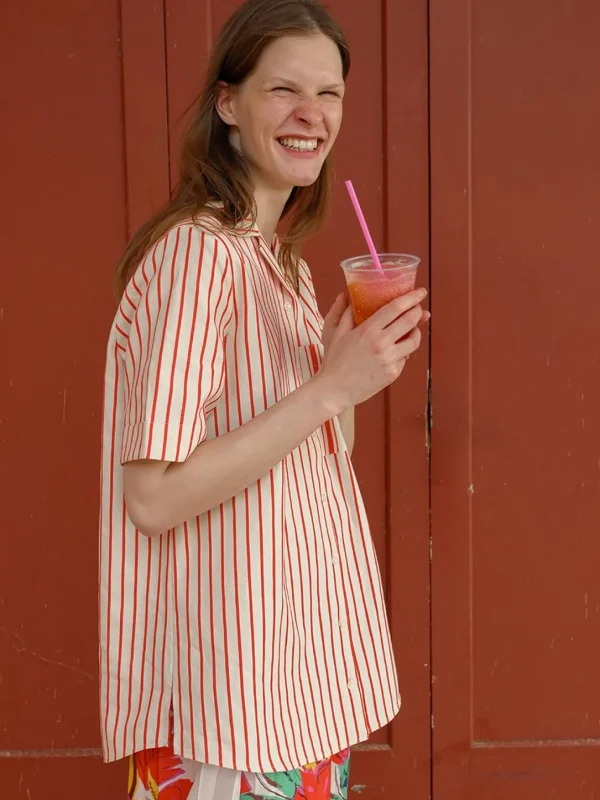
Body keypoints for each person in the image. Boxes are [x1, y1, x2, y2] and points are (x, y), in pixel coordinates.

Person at [99, 0, 429, 797]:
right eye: (284, 90)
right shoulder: (197, 256)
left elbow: (320, 457)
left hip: (294, 688)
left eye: (331, 94)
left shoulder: (277, 265)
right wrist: (324, 388)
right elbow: (152, 497)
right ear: (227, 105)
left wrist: (344, 368)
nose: (312, 116)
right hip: (229, 705)